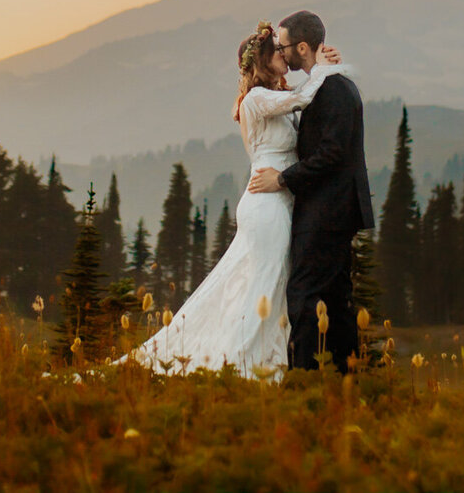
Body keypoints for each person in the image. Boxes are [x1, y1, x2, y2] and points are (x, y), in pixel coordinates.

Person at [122, 20, 346, 374]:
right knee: (266, 285)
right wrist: (324, 69)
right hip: (267, 203)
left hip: (280, 198)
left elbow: (303, 101)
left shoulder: (270, 97)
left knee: (269, 286)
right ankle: (241, 365)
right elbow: (303, 97)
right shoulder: (256, 99)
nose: (283, 55)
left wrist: (321, 67)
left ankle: (265, 363)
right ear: (261, 61)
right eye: (276, 51)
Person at [246, 9, 373, 372]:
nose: (281, 53)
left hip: (328, 210)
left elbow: (332, 153)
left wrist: (283, 179)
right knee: (334, 298)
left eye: (284, 46)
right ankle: (343, 374)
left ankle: (305, 377)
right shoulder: (326, 83)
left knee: (303, 295)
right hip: (331, 208)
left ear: (302, 47)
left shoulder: (332, 88)